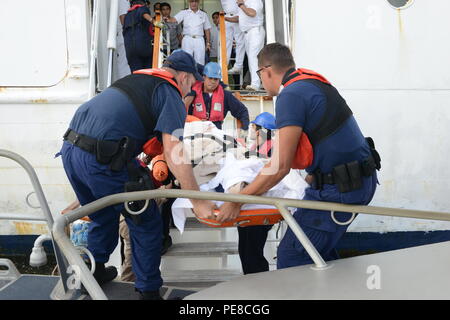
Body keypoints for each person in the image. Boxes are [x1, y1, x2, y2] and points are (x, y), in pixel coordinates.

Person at [58, 50, 216, 300]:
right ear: (184, 77)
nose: (191, 88)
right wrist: (198, 200)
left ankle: (95, 270)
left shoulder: (133, 80)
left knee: (102, 213)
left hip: (70, 151)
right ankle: (149, 292)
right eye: (193, 82)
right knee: (147, 221)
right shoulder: (169, 92)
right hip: (102, 159)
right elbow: (174, 149)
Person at [217, 43, 380, 269]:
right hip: (354, 180)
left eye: (259, 75)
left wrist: (239, 199)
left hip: (341, 189)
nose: (262, 81)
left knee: (293, 258)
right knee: (317, 254)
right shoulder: (311, 83)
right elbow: (327, 138)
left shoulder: (290, 95)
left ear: (266, 71)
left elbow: (280, 166)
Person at [184, 62, 249, 131]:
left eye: (216, 79)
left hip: (215, 135)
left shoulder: (225, 95)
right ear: (204, 77)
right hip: (195, 133)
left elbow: (242, 111)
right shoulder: (192, 94)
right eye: (210, 78)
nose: (213, 82)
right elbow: (182, 114)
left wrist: (244, 131)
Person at [225, 0, 265, 91]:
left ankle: (255, 85)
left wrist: (241, 5)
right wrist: (225, 18)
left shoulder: (254, 1)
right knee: (252, 59)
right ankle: (257, 83)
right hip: (247, 33)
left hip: (255, 31)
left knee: (253, 58)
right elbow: (239, 18)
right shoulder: (244, 4)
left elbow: (252, 13)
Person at [164, 0, 212, 65]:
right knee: (186, 59)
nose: (194, 3)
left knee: (200, 60)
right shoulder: (183, 12)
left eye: (196, 1)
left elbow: (207, 29)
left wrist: (208, 43)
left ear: (198, 2)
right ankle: (187, 75)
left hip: (199, 39)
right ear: (188, 2)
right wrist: (167, 19)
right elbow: (174, 19)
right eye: (192, 1)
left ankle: (199, 74)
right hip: (187, 39)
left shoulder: (204, 14)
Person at [122, 0, 157, 72]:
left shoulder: (127, 15)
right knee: (147, 72)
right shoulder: (142, 8)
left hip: (130, 49)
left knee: (136, 73)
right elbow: (144, 13)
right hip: (143, 47)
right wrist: (155, 22)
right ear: (144, 3)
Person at [221, 0, 245, 74]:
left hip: (238, 15)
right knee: (226, 43)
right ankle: (223, 66)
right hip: (226, 16)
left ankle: (238, 65)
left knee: (240, 42)